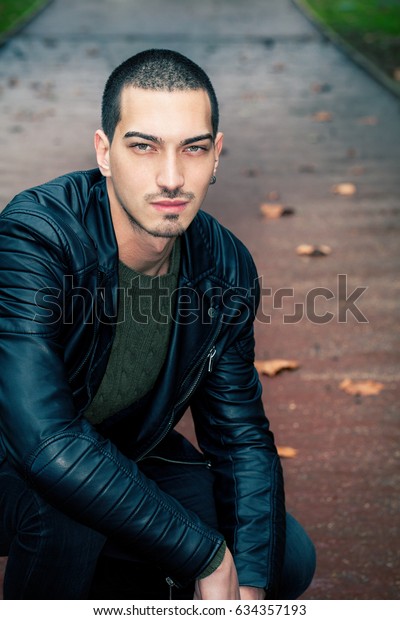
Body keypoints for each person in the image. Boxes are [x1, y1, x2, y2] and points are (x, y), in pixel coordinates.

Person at [0, 49, 315, 600]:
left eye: (192, 149)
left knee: (281, 555)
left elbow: (239, 437)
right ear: (104, 152)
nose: (171, 178)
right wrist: (206, 554)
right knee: (70, 511)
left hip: (116, 449)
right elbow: (44, 441)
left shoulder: (226, 266)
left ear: (216, 156)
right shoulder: (35, 239)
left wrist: (252, 589)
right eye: (143, 147)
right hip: (19, 456)